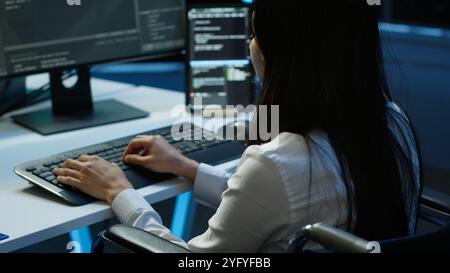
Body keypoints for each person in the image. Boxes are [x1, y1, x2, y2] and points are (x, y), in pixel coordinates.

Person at [54, 0, 422, 252]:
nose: (250, 46)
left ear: (285, 54)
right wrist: (188, 169)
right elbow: (285, 204)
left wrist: (120, 193)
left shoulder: (277, 164)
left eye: (256, 33)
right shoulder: (392, 121)